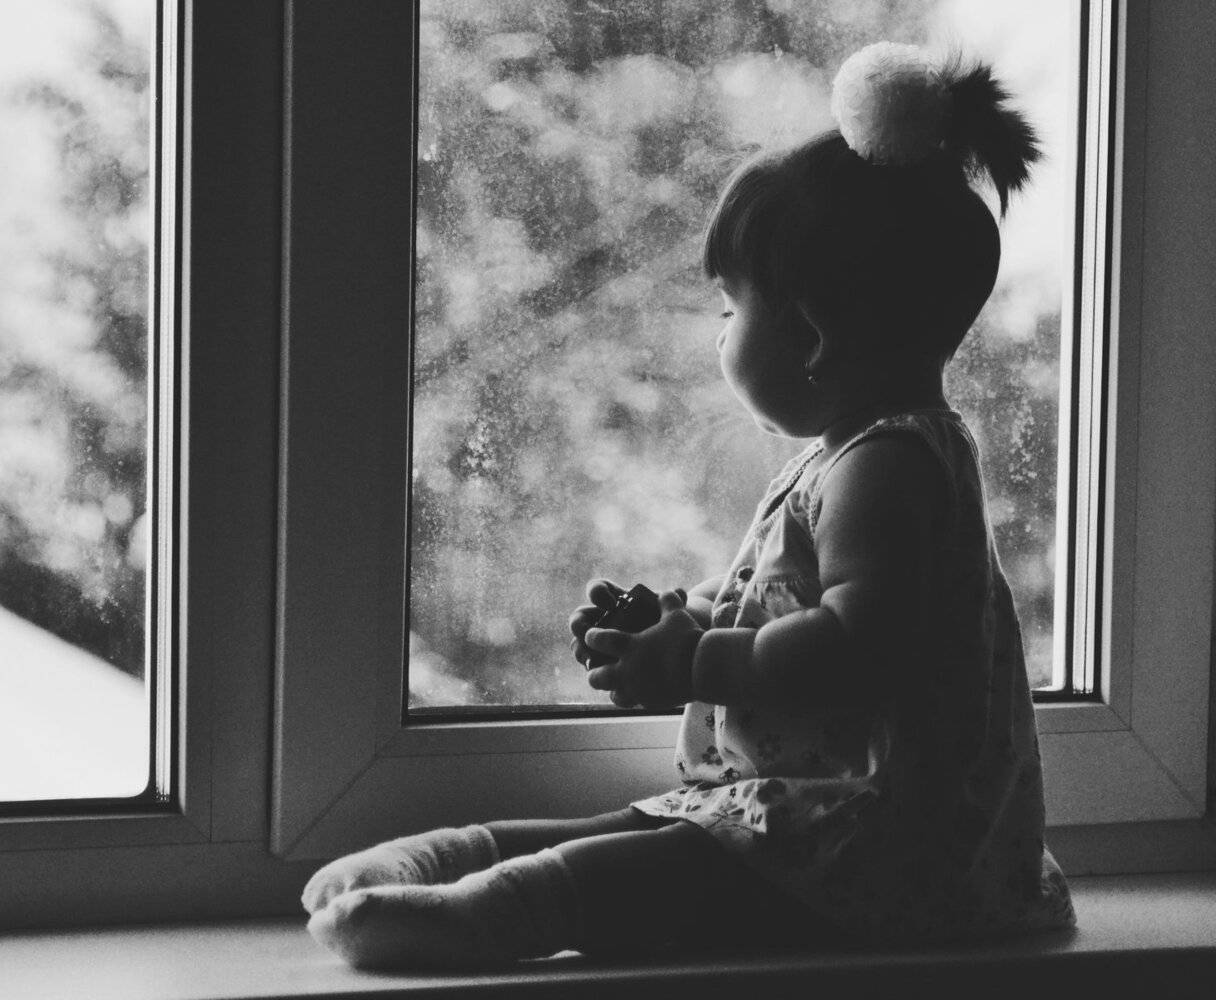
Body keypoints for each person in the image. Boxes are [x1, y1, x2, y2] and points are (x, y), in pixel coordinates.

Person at [303, 40, 1075, 971]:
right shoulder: (857, 455)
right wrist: (686, 616)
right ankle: (448, 863)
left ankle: (477, 916)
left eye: (729, 310)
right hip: (820, 814)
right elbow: (793, 601)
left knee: (660, 863)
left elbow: (854, 642)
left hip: (879, 848)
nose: (720, 335)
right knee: (647, 830)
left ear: (811, 335)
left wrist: (696, 662)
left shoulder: (888, 467)